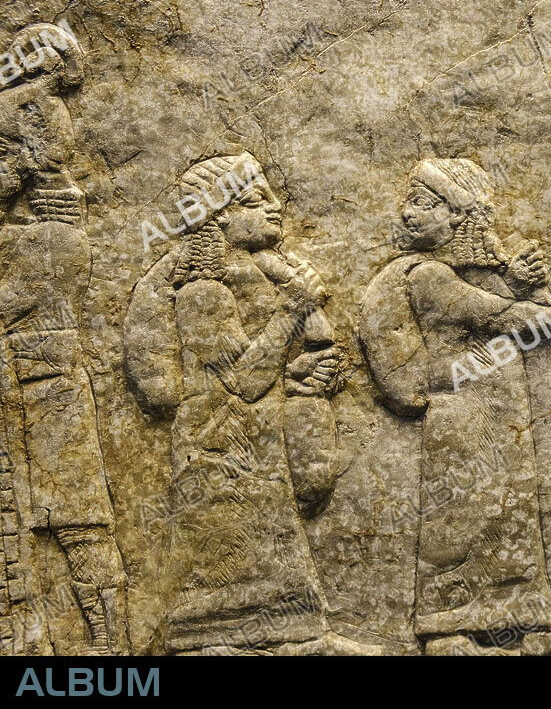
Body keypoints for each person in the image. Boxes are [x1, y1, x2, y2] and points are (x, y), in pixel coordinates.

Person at [359, 158, 551, 654]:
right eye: (410, 201)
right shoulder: (426, 275)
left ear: (461, 218)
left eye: (423, 203)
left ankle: (517, 624)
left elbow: (510, 313)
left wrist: (529, 288)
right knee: (465, 513)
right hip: (463, 416)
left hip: (498, 412)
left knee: (508, 510)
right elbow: (501, 316)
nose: (406, 212)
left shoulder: (457, 275)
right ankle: (449, 628)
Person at [125, 151, 378, 655]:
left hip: (256, 455)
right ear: (219, 215)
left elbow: (272, 366)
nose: (276, 208)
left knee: (278, 602)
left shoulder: (258, 276)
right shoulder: (201, 292)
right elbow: (242, 380)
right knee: (224, 603)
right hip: (221, 461)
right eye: (257, 200)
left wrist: (308, 370)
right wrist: (292, 308)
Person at [0, 22, 128, 655]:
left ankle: (107, 649)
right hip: (31, 378)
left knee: (83, 522)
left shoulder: (52, 229)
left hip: (51, 376)